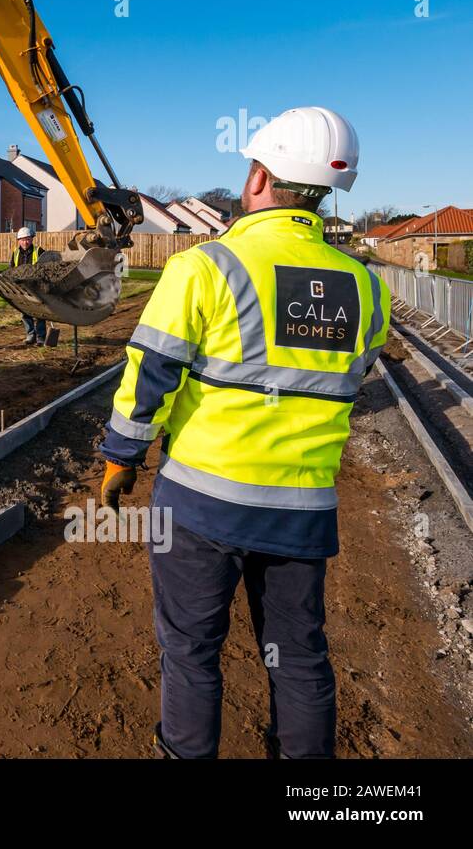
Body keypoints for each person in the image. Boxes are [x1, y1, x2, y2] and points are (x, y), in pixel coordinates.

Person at [98, 107, 389, 760]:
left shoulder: (204, 268)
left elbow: (148, 377)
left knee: (191, 651)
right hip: (301, 513)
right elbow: (350, 380)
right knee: (300, 658)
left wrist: (121, 457)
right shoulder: (369, 289)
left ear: (259, 177)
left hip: (201, 505)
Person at [11, 227, 60, 346]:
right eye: (22, 240)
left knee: (39, 313)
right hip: (23, 288)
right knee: (25, 312)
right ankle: (30, 335)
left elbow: (47, 268)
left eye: (27, 239)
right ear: (19, 240)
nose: (25, 242)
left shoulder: (39, 251)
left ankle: (40, 337)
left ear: (32, 239)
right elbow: (12, 269)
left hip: (37, 286)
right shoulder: (16, 253)